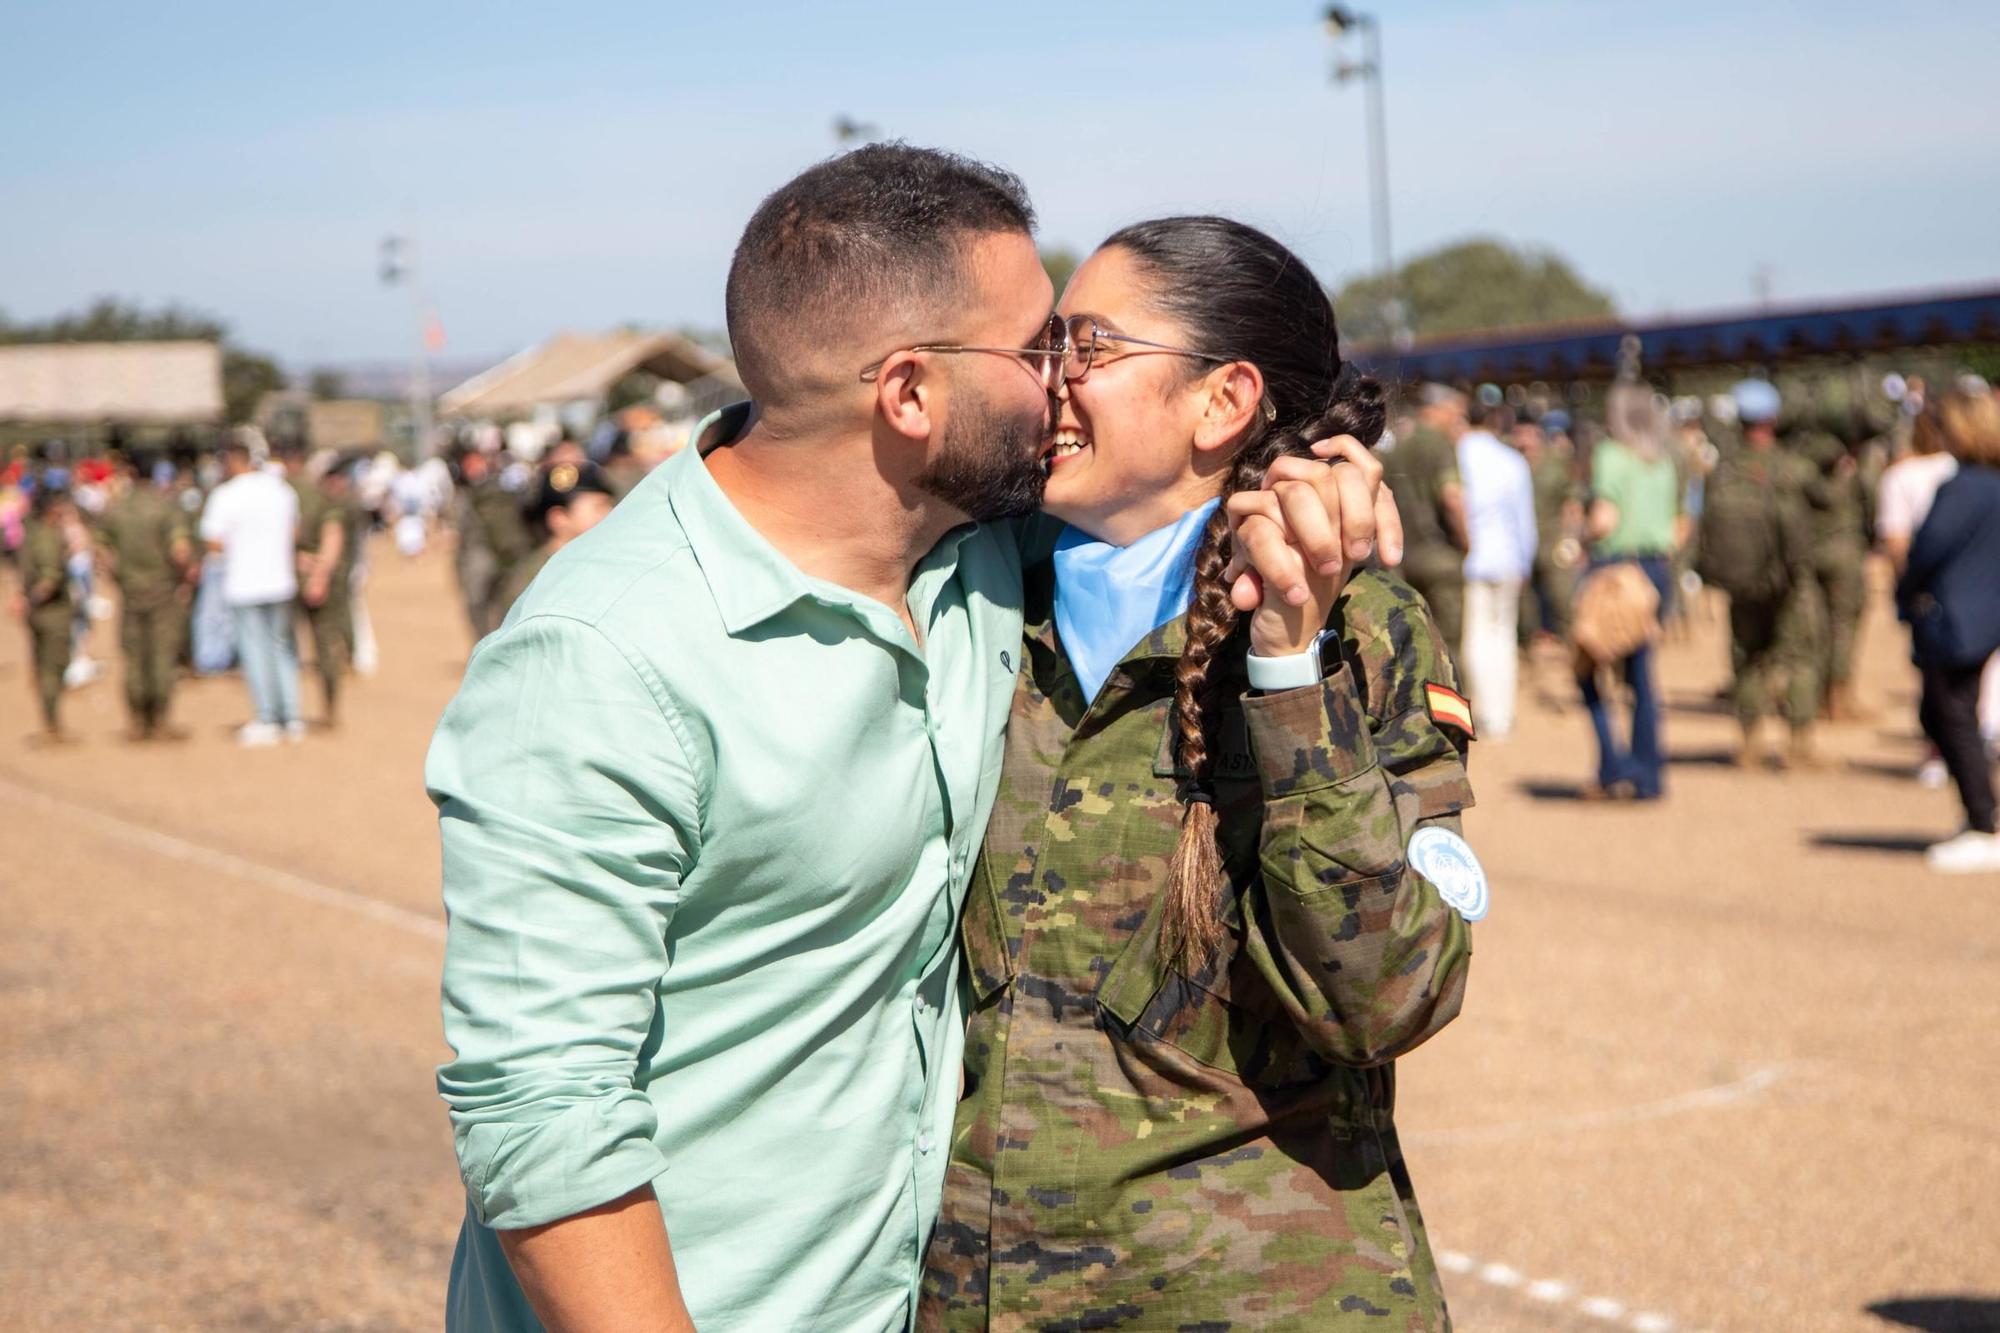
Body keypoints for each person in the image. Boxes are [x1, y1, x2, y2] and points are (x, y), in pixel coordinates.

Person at [428, 147, 1387, 1333]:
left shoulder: (973, 555)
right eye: (1038, 351)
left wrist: (1312, 478)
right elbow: (542, 1110)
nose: (1060, 386)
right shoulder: (603, 659)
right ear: (910, 396)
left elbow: (1174, 494)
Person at [920, 217, 1472, 1331]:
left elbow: (1390, 995)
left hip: (1243, 1297)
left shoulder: (1359, 632)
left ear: (1220, 402)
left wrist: (1286, 674)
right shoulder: (970, 592)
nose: (1050, 384)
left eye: (1088, 348)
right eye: (1044, 351)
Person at [1898, 378, 2000, 873]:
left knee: (1951, 720)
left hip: (1954, 620)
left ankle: (1983, 824)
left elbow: (1926, 549)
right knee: (1960, 718)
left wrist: (1904, 594)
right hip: (1983, 618)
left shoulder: (1962, 487)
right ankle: (1979, 817)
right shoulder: (1992, 484)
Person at [1698, 380, 1821, 768]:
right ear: (1773, 418)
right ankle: (1800, 745)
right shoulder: (1794, 467)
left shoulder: (1723, 470)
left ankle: (1749, 742)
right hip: (1789, 582)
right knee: (1800, 658)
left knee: (1748, 657)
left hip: (1742, 582)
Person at [1574, 385, 1684, 801]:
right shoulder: (1664, 460)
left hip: (1614, 571)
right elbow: (1676, 524)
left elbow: (1604, 520)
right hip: (1655, 570)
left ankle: (1613, 766)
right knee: (1642, 679)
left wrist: (1579, 536)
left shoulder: (1611, 455)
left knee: (1587, 671)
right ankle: (1649, 776)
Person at [199, 437, 303, 746]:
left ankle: (268, 717)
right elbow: (294, 532)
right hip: (280, 580)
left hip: (245, 584)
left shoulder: (225, 495)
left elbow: (213, 542)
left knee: (255, 650)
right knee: (283, 648)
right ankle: (292, 716)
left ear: (233, 461)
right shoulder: (281, 490)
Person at [96, 448, 196, 739]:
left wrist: (117, 573)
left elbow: (100, 548)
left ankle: (138, 721)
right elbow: (181, 551)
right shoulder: (167, 509)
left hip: (131, 590)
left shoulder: (117, 509)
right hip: (162, 590)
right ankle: (160, 721)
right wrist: (185, 576)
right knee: (162, 655)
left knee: (134, 656)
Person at [1456, 394, 1536, 738]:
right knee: (1502, 637)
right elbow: (1524, 520)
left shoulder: (1458, 457)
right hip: (1507, 560)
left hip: (1471, 561)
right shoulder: (1512, 461)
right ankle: (1501, 715)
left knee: (1474, 637)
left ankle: (1480, 712)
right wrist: (1526, 562)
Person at [1380, 383, 1469, 657]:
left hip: (1405, 559)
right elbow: (1452, 497)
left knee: (1419, 648)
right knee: (1449, 651)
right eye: (1455, 412)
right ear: (1438, 409)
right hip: (1441, 558)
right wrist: (1467, 541)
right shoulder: (1438, 442)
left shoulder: (1399, 445)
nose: (1458, 420)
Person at [1798, 429, 1874, 720]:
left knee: (1814, 628)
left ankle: (1815, 695)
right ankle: (1837, 696)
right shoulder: (1854, 478)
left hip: (1810, 555)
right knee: (1842, 627)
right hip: (1845, 557)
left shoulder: (1804, 479)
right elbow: (1872, 511)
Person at [489, 459, 617, 620]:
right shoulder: (530, 582)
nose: (610, 513)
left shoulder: (609, 563)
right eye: (599, 507)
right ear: (559, 518)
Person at [296, 451, 363, 727]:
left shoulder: (325, 504)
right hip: (326, 578)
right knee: (326, 639)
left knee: (325, 641)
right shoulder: (323, 503)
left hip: (326, 580)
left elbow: (333, 539)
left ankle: (328, 705)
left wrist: (318, 575)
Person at [15, 485, 77, 743]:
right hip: (52, 615)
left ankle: (50, 724)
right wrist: (33, 599)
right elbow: (49, 580)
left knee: (44, 669)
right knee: (53, 669)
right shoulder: (48, 537)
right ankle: (52, 727)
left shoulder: (32, 534)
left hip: (39, 615)